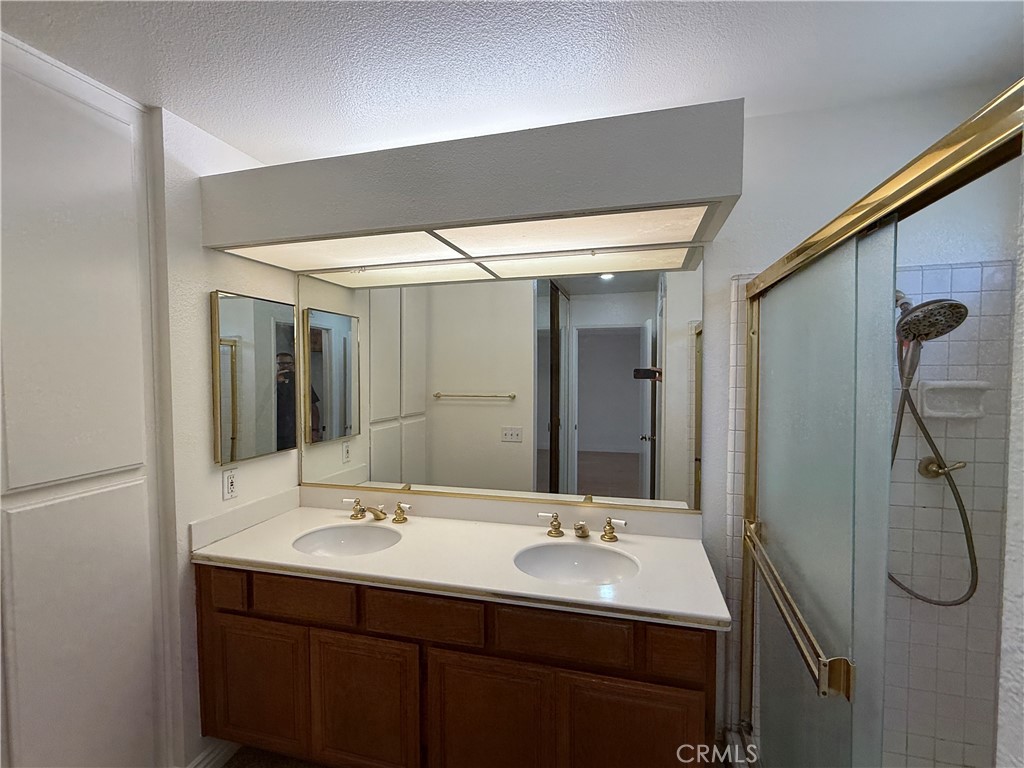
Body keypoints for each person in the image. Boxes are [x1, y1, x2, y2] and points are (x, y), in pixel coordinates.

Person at [276, 352, 321, 449]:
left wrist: (314, 430)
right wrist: (276, 381)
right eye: (281, 364)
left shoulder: (301, 382)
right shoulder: (271, 382)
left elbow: (313, 406)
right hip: (276, 432)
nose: (285, 366)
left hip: (297, 431)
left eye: (289, 363)